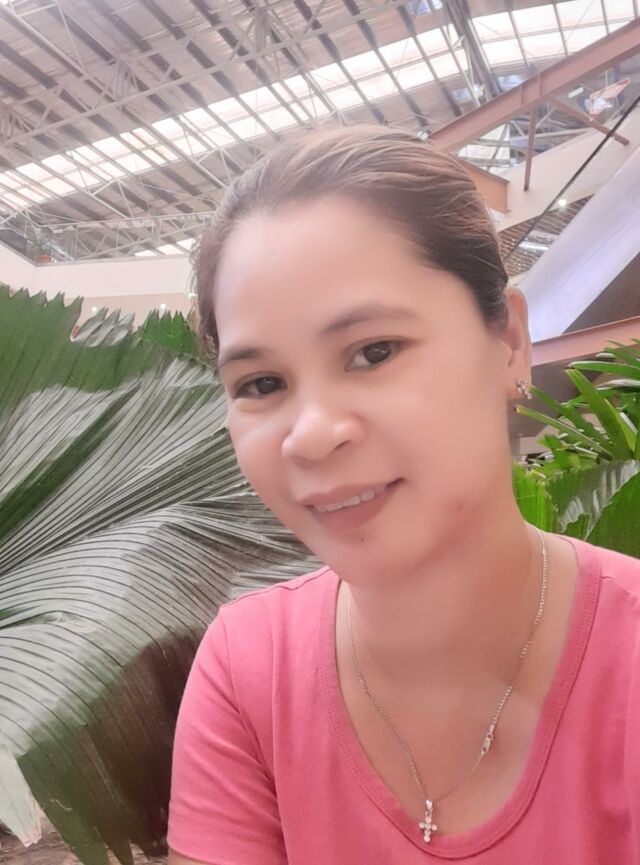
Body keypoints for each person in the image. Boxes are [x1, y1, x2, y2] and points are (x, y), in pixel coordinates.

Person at [166, 125, 640, 864]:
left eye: (374, 351)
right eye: (261, 383)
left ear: (509, 342)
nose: (310, 435)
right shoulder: (250, 668)